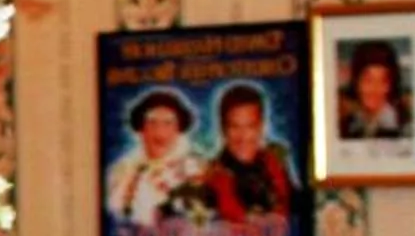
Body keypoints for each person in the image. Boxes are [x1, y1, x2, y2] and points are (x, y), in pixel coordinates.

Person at [104, 89, 203, 225]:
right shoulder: (122, 171)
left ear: (178, 129)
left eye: (168, 123)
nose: (159, 132)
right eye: (152, 122)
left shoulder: (195, 169)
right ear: (141, 129)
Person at [201, 83, 295, 220]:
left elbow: (297, 209)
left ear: (261, 127)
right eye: (234, 127)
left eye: (250, 127)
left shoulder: (275, 162)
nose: (243, 137)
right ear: (223, 129)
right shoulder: (212, 177)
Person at [336, 40, 409, 140]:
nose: (375, 89)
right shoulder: (346, 126)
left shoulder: (404, 128)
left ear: (391, 85)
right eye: (368, 80)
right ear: (356, 82)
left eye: (383, 81)